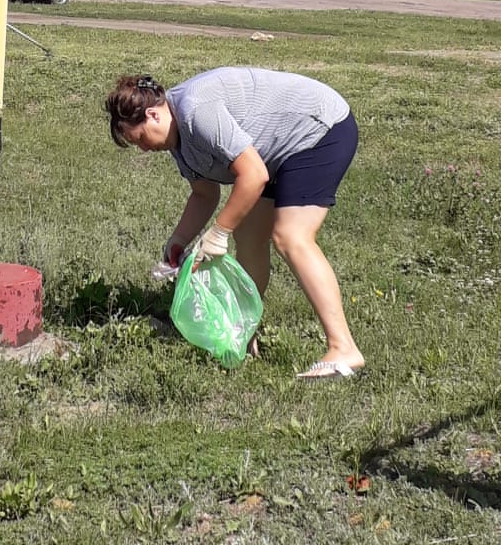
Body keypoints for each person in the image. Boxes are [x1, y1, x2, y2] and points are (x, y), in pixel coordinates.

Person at [105, 66, 364, 379]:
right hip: (273, 151)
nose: (144, 148)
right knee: (249, 234)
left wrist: (218, 234)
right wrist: (177, 241)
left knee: (290, 235)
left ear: (153, 115)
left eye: (141, 139)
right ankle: (245, 332)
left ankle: (343, 347)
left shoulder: (196, 113)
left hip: (319, 128)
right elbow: (204, 194)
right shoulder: (177, 142)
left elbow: (253, 176)